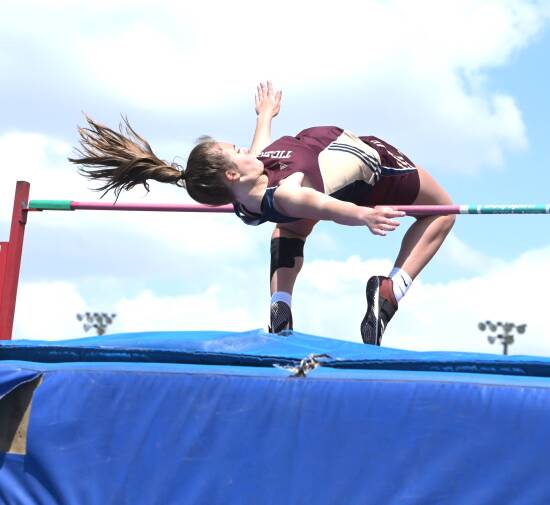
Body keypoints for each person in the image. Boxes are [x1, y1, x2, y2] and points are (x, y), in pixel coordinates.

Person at [70, 82, 455, 345]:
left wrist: (265, 115)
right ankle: (389, 292)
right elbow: (325, 207)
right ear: (233, 173)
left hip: (314, 176)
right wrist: (363, 216)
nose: (245, 150)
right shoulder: (288, 192)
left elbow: (260, 150)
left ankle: (280, 305)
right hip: (368, 165)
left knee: (288, 230)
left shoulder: (243, 195)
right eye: (236, 150)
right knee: (443, 210)